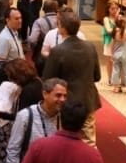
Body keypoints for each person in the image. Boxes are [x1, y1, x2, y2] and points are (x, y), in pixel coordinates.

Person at [42, 11, 100, 147]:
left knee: (65, 141)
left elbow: (48, 81)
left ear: (62, 28)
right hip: (88, 100)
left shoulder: (57, 51)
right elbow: (97, 77)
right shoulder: (90, 47)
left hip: (64, 103)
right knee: (89, 142)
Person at [6, 77, 67, 163]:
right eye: (58, 95)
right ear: (45, 94)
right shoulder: (25, 116)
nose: (62, 99)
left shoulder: (65, 118)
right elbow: (13, 149)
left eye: (65, 96)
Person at [102, 1, 118, 85]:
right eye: (112, 9)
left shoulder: (119, 18)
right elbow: (109, 30)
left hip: (118, 42)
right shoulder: (106, 19)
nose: (114, 10)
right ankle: (110, 78)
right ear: (108, 10)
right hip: (109, 41)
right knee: (110, 61)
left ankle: (117, 78)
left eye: (116, 8)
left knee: (118, 60)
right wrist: (115, 22)